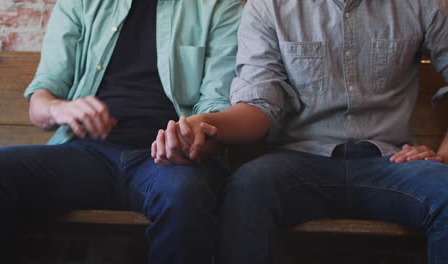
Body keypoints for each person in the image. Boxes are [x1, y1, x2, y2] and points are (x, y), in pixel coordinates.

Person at [153, 0, 448, 263]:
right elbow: (260, 107)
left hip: (391, 161)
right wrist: (204, 123)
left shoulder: (423, 5)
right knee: (247, 188)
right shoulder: (269, 7)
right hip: (298, 161)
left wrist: (443, 156)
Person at [0, 0, 242, 263]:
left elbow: (217, 108)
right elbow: (42, 100)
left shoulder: (218, 6)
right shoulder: (81, 3)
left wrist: (192, 139)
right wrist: (58, 108)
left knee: (185, 194)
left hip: (169, 160)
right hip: (86, 153)